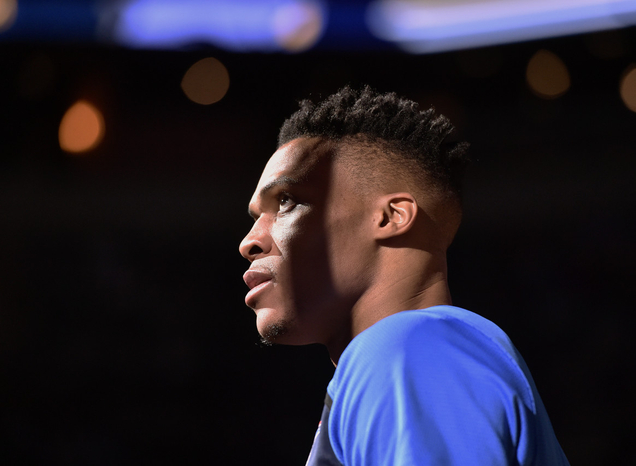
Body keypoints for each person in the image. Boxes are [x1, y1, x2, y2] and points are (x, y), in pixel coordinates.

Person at [239, 86, 570, 465]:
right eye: (256, 217)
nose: (249, 242)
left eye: (286, 202)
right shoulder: (412, 356)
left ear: (391, 217)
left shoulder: (410, 347)